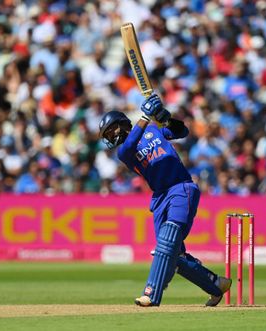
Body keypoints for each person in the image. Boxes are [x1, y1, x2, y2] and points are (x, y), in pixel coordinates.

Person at [99, 94, 231, 307]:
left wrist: (165, 118)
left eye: (110, 130)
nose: (109, 136)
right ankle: (216, 284)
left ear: (121, 124)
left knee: (167, 244)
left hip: (181, 187)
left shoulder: (152, 130)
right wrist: (146, 115)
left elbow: (182, 131)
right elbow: (132, 140)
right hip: (160, 197)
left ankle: (151, 294)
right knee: (172, 253)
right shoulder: (124, 151)